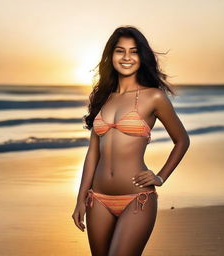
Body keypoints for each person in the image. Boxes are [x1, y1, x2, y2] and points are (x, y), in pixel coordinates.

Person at [72, 25, 190, 256]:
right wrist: (80, 199)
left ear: (141, 57)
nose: (126, 57)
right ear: (110, 55)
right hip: (97, 200)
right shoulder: (102, 97)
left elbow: (182, 140)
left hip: (137, 199)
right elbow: (92, 154)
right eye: (120, 51)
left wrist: (160, 177)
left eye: (133, 51)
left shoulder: (153, 97)